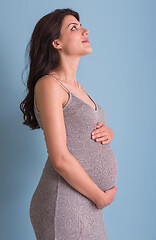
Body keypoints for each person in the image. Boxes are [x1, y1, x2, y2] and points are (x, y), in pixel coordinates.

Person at [20, 8, 118, 240]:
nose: (85, 30)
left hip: (85, 201)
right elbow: (60, 159)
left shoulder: (77, 87)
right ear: (56, 43)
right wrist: (99, 197)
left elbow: (80, 128)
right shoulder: (49, 85)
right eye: (73, 27)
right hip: (64, 200)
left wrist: (107, 132)